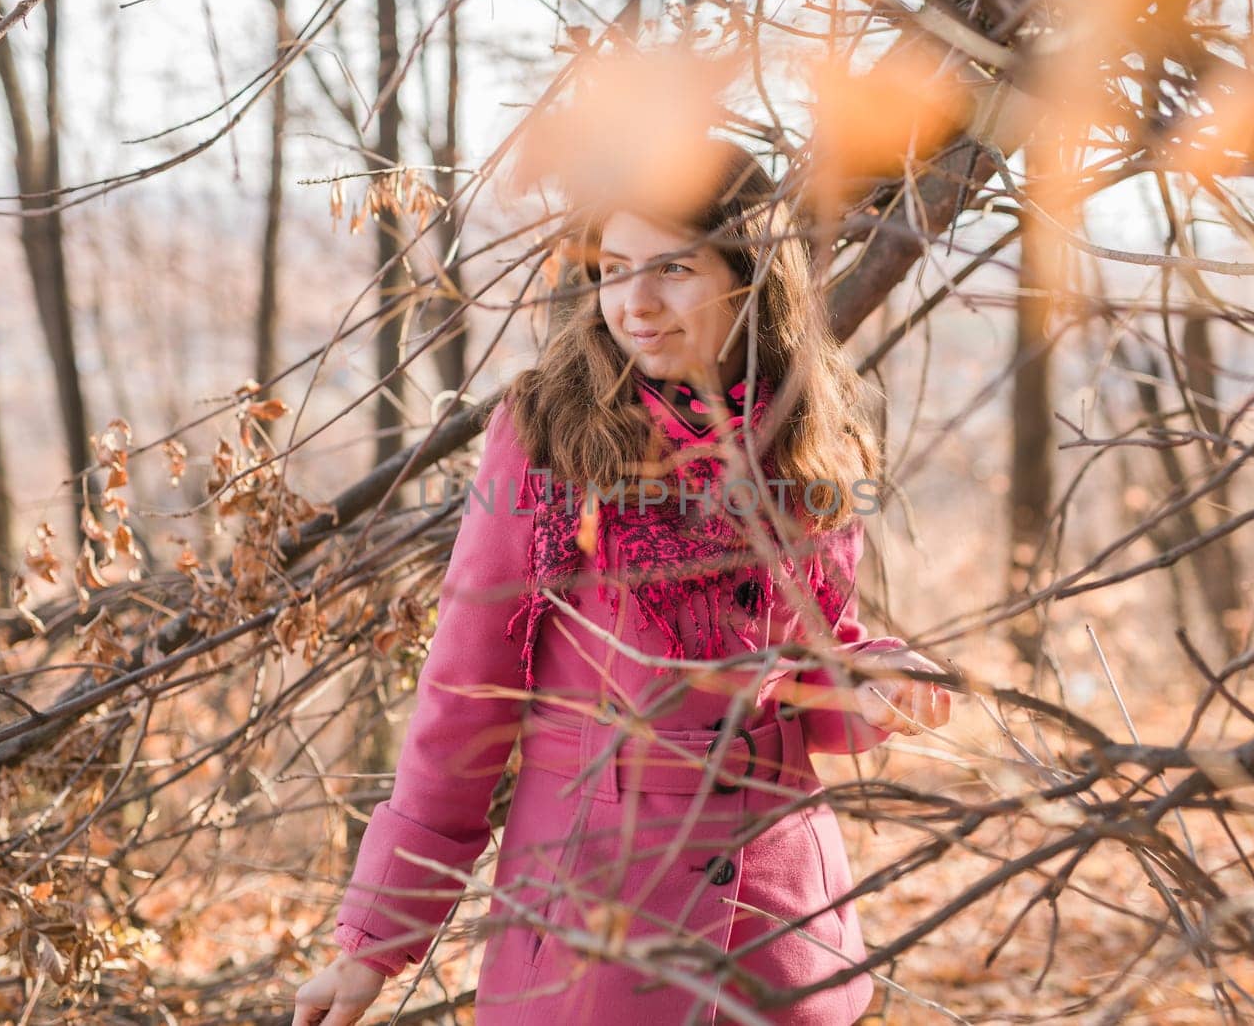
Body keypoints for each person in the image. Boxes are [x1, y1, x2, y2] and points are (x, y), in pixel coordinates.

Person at [293, 139, 953, 1026]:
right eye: (614, 270)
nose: (634, 303)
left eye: (673, 269)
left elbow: (815, 662)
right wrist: (372, 942)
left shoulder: (811, 435)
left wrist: (879, 683)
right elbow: (464, 699)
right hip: (594, 936)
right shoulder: (544, 436)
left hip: (781, 935)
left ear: (750, 276)